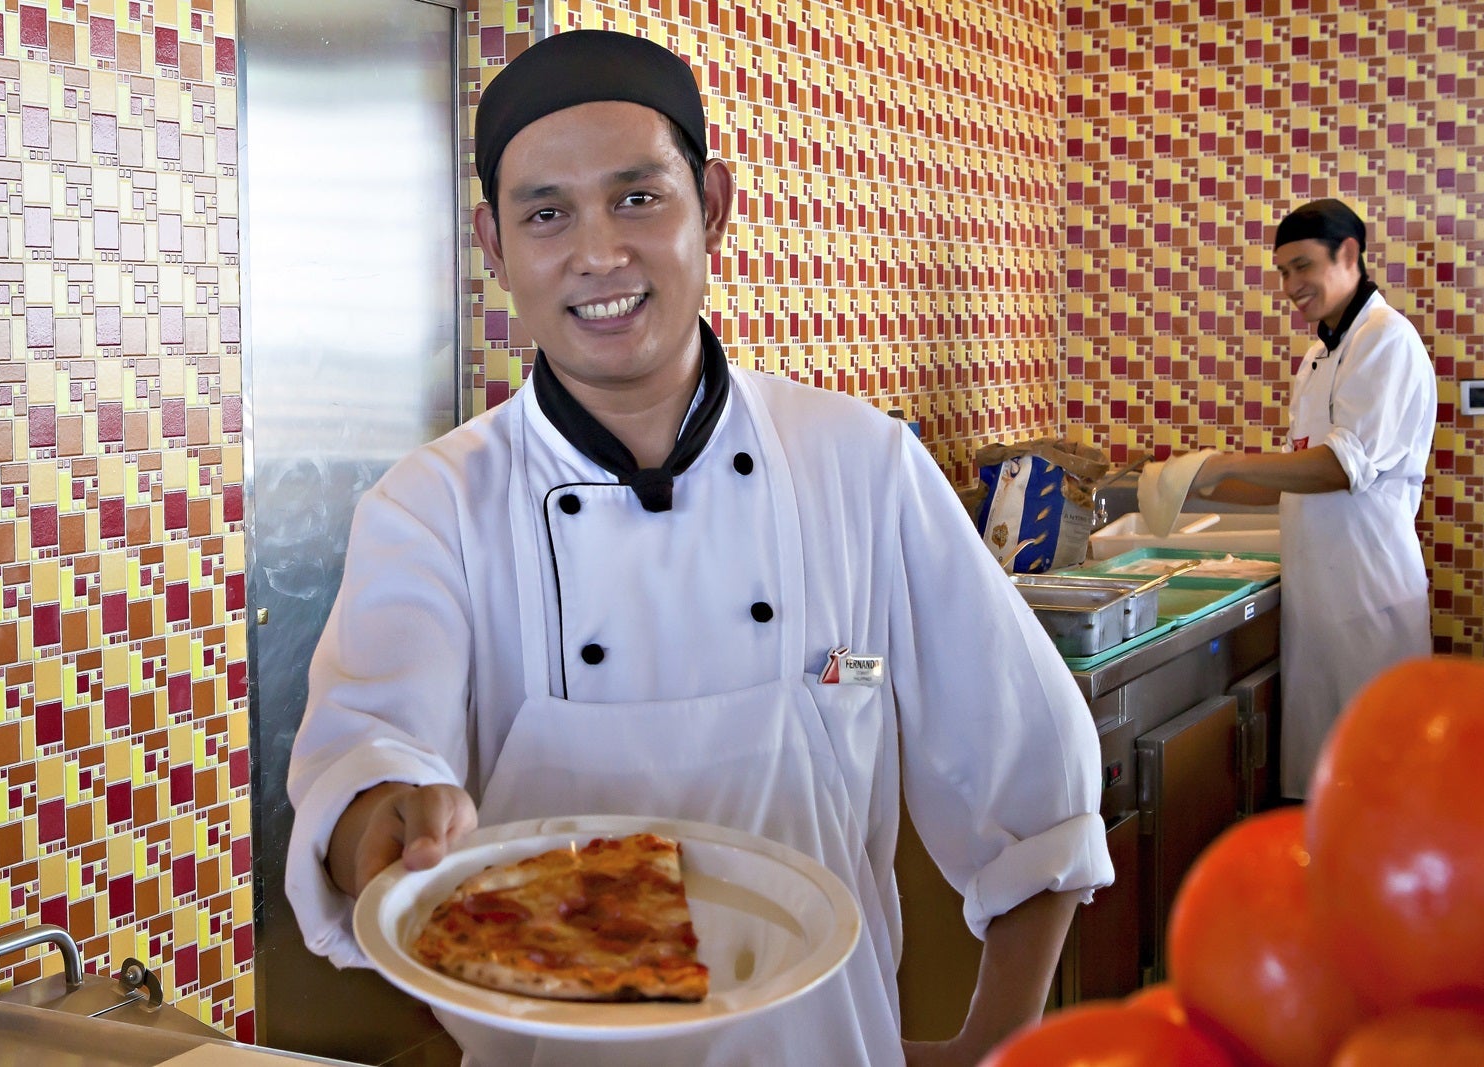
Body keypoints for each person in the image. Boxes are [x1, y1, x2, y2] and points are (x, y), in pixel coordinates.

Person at [285, 30, 1112, 1067]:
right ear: (494, 247)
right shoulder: (433, 505)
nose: (598, 253)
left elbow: (1034, 775)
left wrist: (995, 1037)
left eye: (639, 199)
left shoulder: (859, 463)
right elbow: (370, 757)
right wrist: (391, 814)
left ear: (712, 204)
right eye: (548, 214)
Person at [1188, 198, 1437, 800]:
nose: (1291, 286)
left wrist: (1227, 463)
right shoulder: (1320, 354)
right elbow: (1296, 476)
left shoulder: (1387, 343)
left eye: (1302, 266)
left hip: (1369, 602)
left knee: (1378, 793)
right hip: (1320, 608)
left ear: (1348, 255)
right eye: (1282, 272)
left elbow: (1336, 470)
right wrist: (1197, 480)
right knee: (1324, 794)